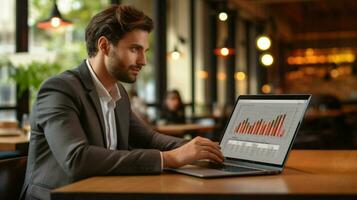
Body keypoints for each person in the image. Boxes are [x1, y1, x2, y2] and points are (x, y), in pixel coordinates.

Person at [20, 5, 223, 200]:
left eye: (145, 51)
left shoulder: (119, 94)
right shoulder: (59, 89)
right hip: (59, 196)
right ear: (104, 45)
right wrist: (171, 158)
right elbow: (77, 159)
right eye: (135, 49)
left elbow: (150, 139)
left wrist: (201, 150)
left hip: (103, 192)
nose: (143, 60)